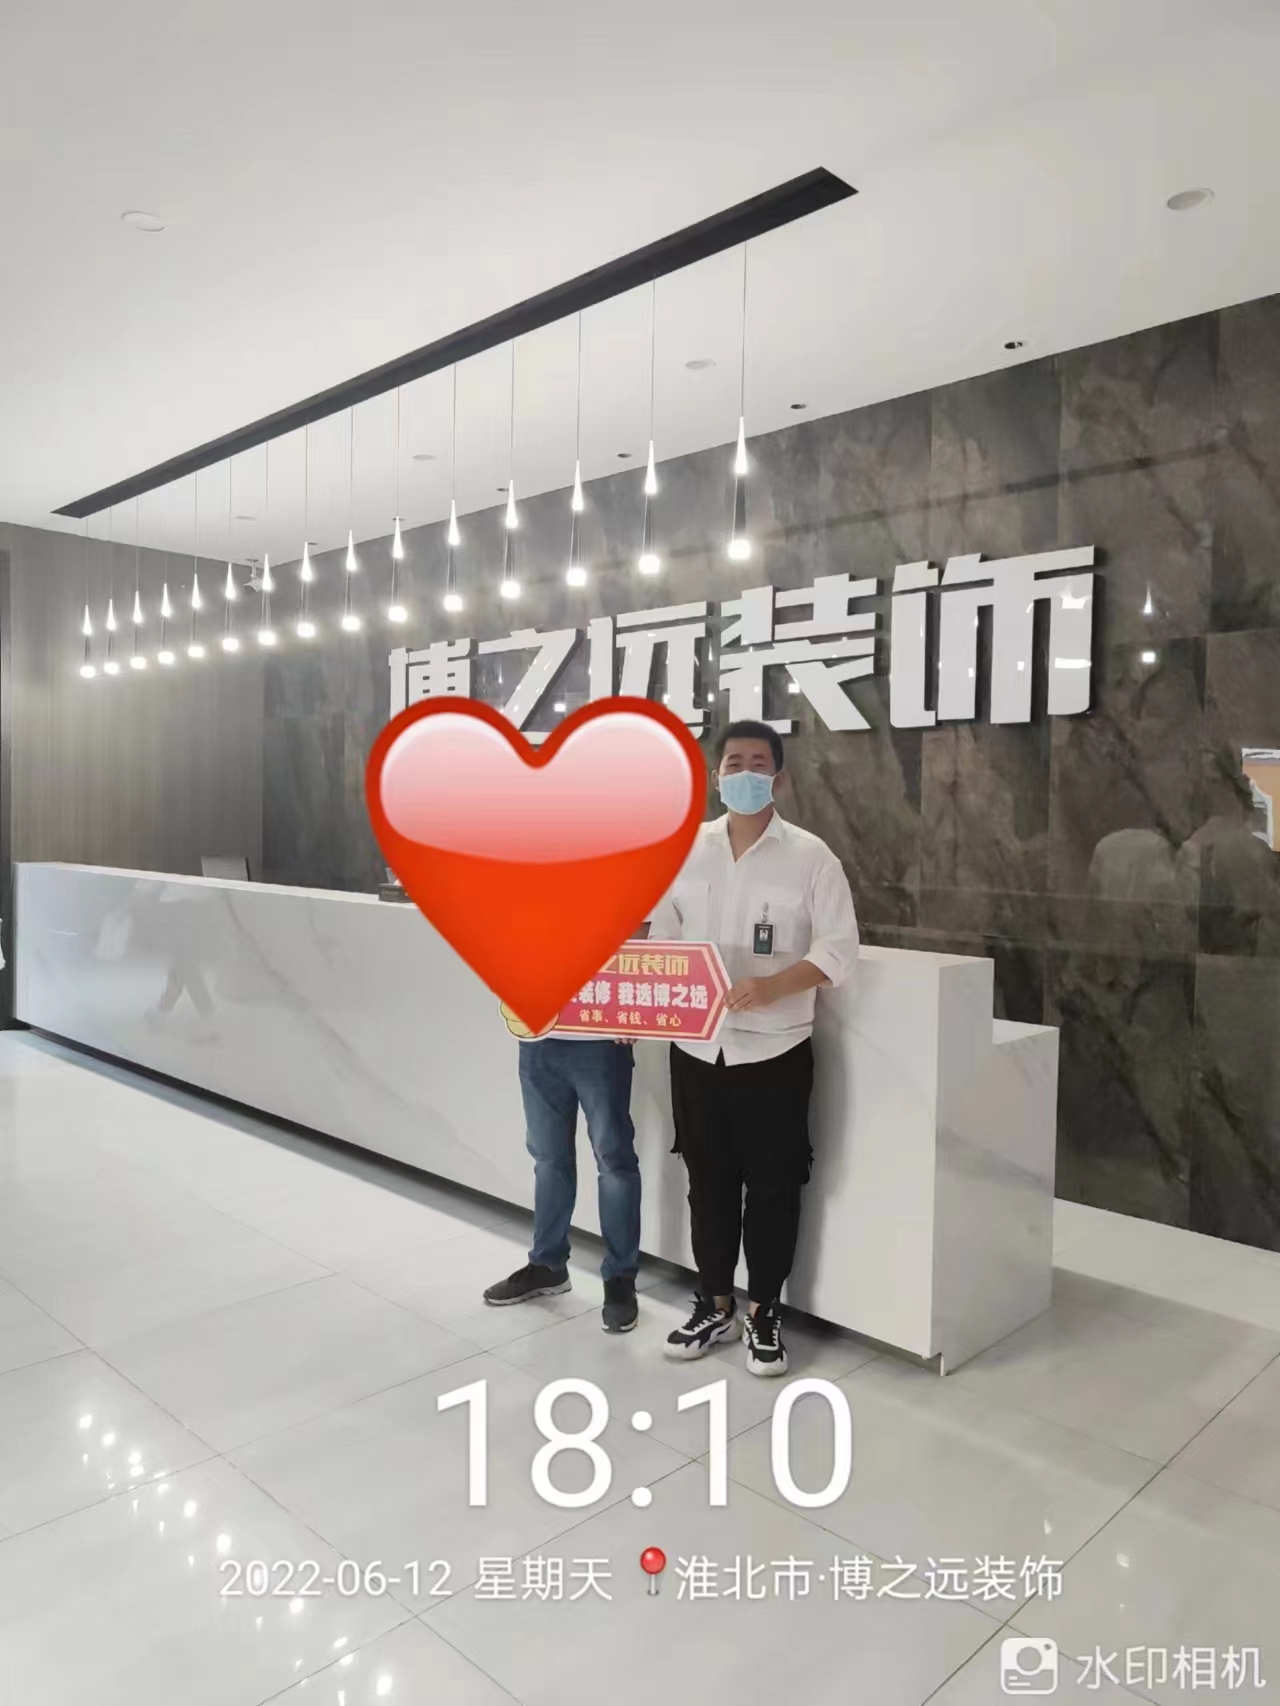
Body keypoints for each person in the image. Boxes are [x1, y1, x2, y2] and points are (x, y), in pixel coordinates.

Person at [649, 719, 858, 1375]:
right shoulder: (686, 850)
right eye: (733, 762)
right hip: (697, 1050)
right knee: (707, 1183)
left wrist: (773, 987)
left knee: (773, 1187)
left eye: (758, 763)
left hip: (774, 1053)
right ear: (716, 776)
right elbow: (662, 939)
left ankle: (764, 1313)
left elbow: (838, 950)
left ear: (780, 778)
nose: (745, 773)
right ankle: (714, 1303)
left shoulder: (812, 858)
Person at [484, 1015, 641, 1333]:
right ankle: (547, 1265)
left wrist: (633, 1013)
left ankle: (620, 1278)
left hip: (600, 1039)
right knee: (548, 1158)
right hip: (537, 1036)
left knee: (613, 1162)